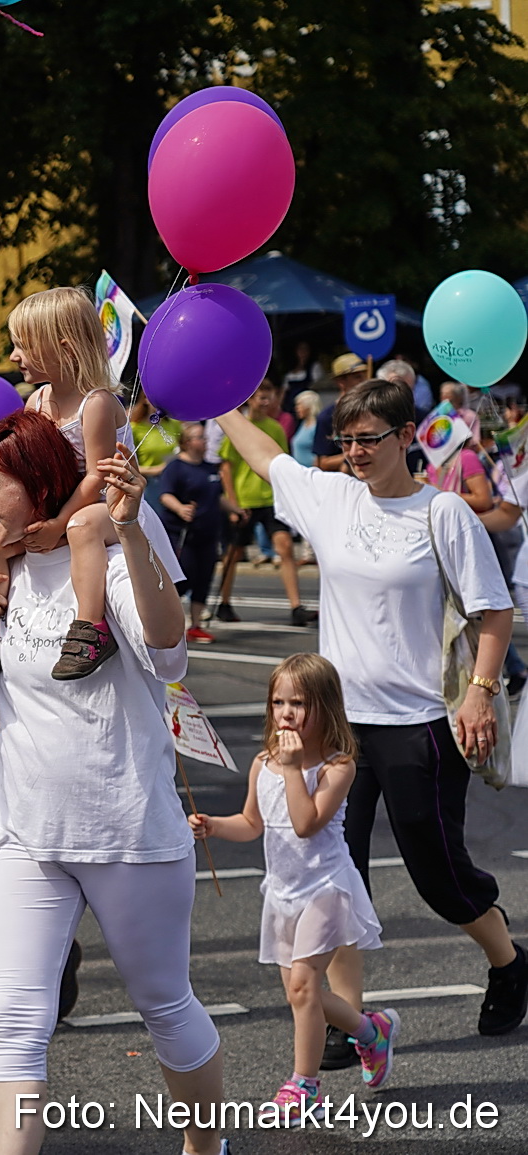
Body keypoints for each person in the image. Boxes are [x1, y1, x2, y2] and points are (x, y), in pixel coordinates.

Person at [216, 378, 526, 1068]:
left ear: (406, 438)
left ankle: (507, 958)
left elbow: (494, 611)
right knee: (334, 876)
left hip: (419, 720)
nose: (354, 452)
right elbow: (269, 458)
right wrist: (220, 407)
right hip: (339, 727)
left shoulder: (441, 513)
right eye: (345, 440)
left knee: (437, 873)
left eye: (368, 439)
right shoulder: (330, 499)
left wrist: (478, 691)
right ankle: (349, 1023)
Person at [0, 407, 226, 1155]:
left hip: (123, 820)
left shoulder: (94, 549)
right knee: (13, 1021)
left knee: (163, 1004)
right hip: (20, 826)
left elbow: (169, 654)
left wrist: (132, 529)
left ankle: (207, 1147)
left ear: (36, 483)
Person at [0, 287, 183, 682]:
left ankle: (90, 626)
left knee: (81, 528)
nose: (14, 356)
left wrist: (57, 524)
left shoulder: (96, 403)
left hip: (105, 506)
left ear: (63, 348)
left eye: (23, 346)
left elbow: (97, 477)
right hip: (65, 502)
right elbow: (20, 453)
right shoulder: (37, 401)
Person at [190, 653, 394, 1116]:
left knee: (303, 986)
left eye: (298, 703)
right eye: (278, 701)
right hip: (283, 891)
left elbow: (304, 823)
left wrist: (293, 768)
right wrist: (215, 826)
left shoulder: (337, 767)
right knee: (305, 993)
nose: (285, 712)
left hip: (327, 886)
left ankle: (305, 1087)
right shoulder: (263, 762)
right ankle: (371, 1032)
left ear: (325, 707)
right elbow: (251, 822)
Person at [214, 381, 315, 627]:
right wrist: (234, 503)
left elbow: (283, 462)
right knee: (235, 552)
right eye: (260, 396)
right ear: (250, 399)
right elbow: (226, 466)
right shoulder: (242, 428)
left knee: (285, 547)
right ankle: (224, 602)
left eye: (268, 396)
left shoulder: (275, 428)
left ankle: (296, 606)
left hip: (271, 499)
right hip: (246, 499)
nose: (265, 401)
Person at [157, 423, 230, 643]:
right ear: (187, 442)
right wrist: (180, 508)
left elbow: (218, 497)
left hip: (208, 533)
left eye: (204, 438)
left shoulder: (210, 468)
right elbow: (165, 495)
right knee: (184, 575)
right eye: (199, 438)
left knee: (204, 578)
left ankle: (196, 625)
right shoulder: (176, 467)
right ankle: (165, 618)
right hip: (183, 534)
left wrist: (235, 510)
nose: (204, 441)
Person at [310, 353, 370, 471]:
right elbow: (322, 462)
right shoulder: (327, 417)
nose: (364, 381)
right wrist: (356, 454)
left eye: (364, 375)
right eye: (357, 377)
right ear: (341, 381)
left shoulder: (370, 411)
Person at [290, 391, 320, 467]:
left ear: (308, 406)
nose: (296, 408)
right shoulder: (303, 424)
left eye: (299, 405)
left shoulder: (316, 426)